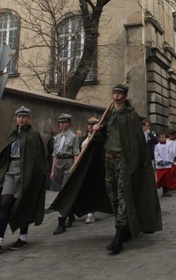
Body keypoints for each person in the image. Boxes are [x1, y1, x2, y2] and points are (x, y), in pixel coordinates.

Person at [50, 83, 162, 256]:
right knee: (113, 196)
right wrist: (97, 131)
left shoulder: (131, 116)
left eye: (119, 93)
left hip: (124, 161)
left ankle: (118, 235)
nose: (116, 96)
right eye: (114, 93)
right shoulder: (108, 115)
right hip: (108, 161)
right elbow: (103, 139)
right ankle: (124, 228)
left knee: (123, 196)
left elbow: (135, 143)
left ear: (124, 96)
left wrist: (132, 165)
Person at [0, 106, 46, 252]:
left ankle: (23, 238)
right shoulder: (12, 135)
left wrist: (35, 179)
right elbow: (5, 158)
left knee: (22, 204)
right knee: (4, 203)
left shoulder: (33, 135)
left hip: (26, 173)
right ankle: (0, 239)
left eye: (24, 116)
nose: (21, 119)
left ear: (29, 118)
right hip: (11, 173)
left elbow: (39, 159)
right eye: (19, 116)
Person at [50, 113, 80, 234]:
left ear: (69, 123)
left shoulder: (73, 137)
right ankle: (71, 214)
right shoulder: (57, 138)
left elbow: (76, 153)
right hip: (58, 164)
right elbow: (54, 155)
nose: (61, 124)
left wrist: (74, 167)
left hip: (68, 163)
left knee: (63, 192)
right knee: (60, 192)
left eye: (64, 122)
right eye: (60, 122)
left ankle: (61, 223)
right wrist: (52, 170)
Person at [81, 117, 99, 224]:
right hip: (85, 168)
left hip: (95, 167)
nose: (90, 126)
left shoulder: (97, 139)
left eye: (92, 124)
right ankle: (89, 213)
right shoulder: (85, 139)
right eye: (89, 124)